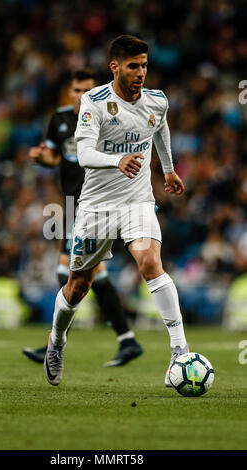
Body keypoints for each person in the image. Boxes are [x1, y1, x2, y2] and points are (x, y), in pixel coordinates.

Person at [44, 35, 189, 387]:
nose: (140, 73)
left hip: (137, 201)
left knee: (150, 262)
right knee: (78, 285)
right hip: (96, 206)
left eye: (144, 66)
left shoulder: (157, 100)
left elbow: (160, 127)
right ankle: (56, 342)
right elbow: (84, 154)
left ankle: (180, 351)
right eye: (133, 66)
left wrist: (168, 169)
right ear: (115, 67)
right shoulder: (94, 102)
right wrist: (117, 160)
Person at [24, 69, 143, 367]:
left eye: (88, 90)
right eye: (77, 90)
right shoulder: (60, 119)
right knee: (88, 274)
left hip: (98, 203)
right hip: (72, 204)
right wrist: (42, 158)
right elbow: (56, 157)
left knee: (72, 272)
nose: (82, 96)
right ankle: (126, 339)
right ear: (70, 91)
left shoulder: (108, 119)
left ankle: (56, 343)